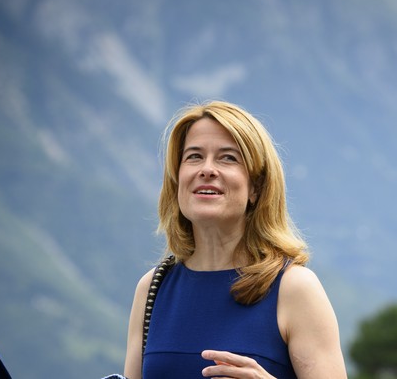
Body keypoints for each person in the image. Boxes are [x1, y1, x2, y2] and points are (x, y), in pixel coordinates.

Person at [123, 100, 347, 378]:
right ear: (177, 179)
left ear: (256, 187)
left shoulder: (295, 288)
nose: (207, 169)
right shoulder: (152, 289)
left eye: (228, 158)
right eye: (194, 156)